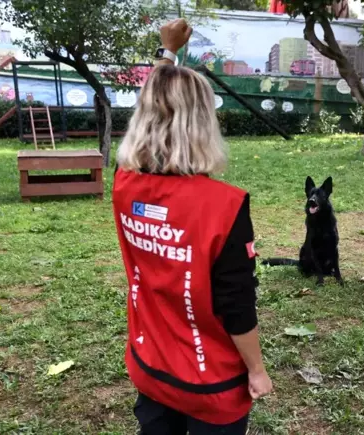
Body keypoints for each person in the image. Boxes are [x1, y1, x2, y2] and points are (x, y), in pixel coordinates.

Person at [112, 18, 272, 435]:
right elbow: (236, 305)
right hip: (211, 386)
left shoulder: (123, 183)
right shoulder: (225, 206)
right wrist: (256, 370)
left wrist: (168, 52)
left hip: (151, 367)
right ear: (202, 123)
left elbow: (149, 105)